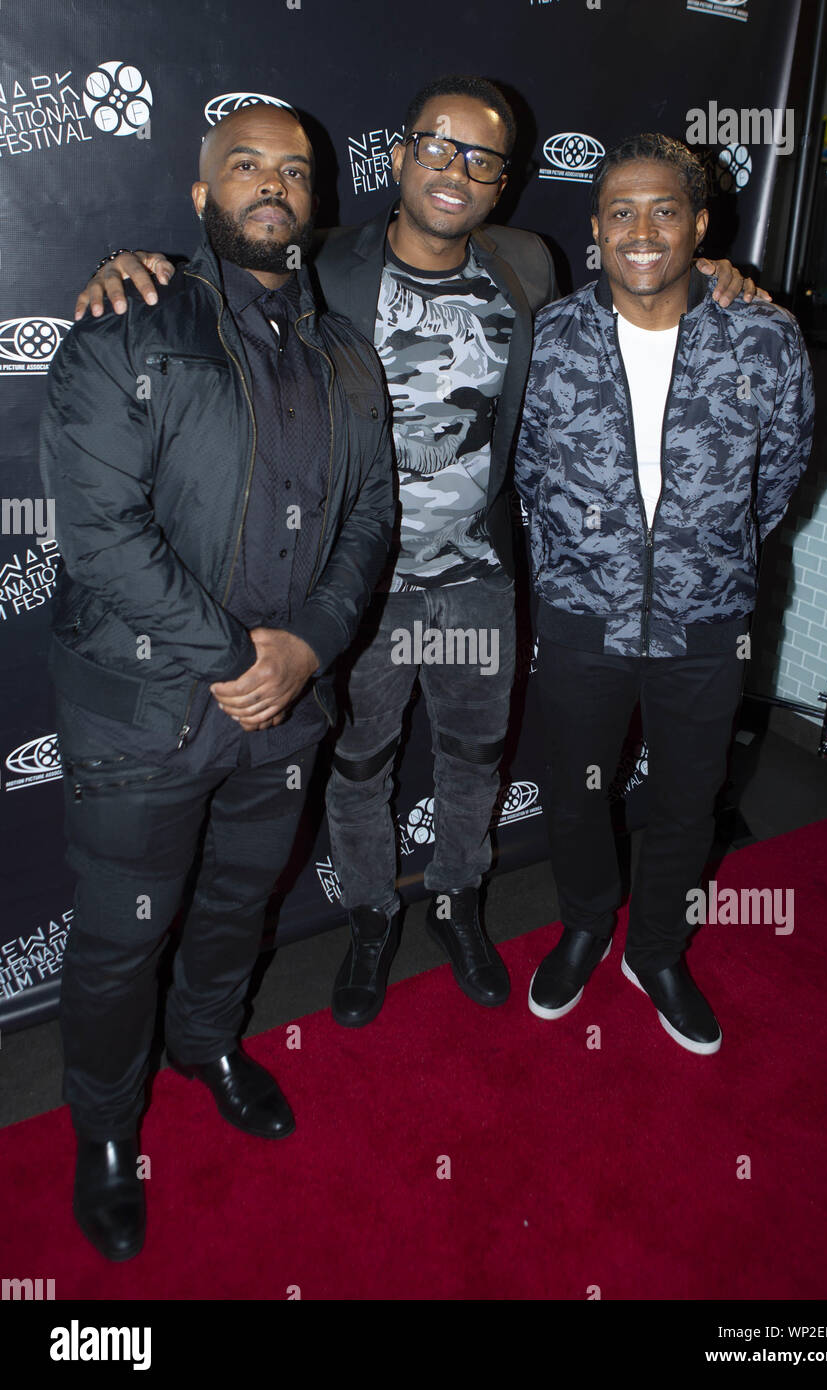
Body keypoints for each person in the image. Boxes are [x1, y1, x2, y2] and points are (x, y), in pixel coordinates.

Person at [73, 78, 763, 1032]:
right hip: (355, 592)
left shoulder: (528, 263)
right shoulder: (322, 261)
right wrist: (124, 264)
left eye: (482, 158)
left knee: (477, 760)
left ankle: (459, 902)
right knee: (359, 768)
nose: (457, 169)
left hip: (478, 579)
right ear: (397, 158)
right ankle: (369, 915)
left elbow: (641, 306)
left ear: (505, 183)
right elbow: (222, 256)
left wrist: (723, 274)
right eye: (438, 147)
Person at [39, 103, 395, 1261]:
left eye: (295, 170)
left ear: (316, 202)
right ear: (199, 198)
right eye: (244, 165)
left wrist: (309, 647)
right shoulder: (125, 329)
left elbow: (369, 520)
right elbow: (100, 536)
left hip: (282, 715)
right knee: (116, 944)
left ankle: (207, 1042)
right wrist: (240, 655)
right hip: (145, 715)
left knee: (238, 907)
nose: (272, 184)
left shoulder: (349, 355)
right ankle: (104, 1133)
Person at [514, 132, 814, 1053]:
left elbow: (784, 472)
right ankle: (587, 926)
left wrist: (702, 557)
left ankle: (658, 951)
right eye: (620, 212)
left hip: (707, 614)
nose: (641, 230)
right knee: (576, 792)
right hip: (579, 616)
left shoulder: (763, 334)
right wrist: (578, 567)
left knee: (692, 796)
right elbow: (525, 475)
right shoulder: (554, 333)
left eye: (664, 210)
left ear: (699, 224)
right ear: (596, 227)